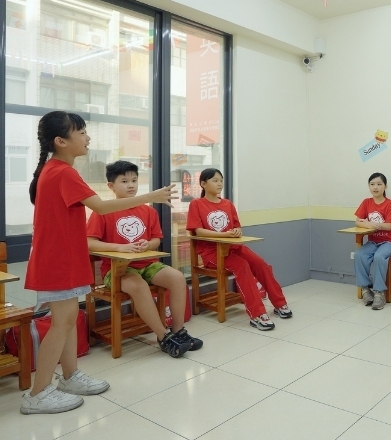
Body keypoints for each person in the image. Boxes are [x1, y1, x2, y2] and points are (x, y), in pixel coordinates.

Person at [22, 111, 176, 415]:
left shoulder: (55, 170)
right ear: (61, 141)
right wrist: (151, 196)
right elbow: (102, 207)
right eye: (81, 132)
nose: (87, 137)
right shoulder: (62, 172)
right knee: (62, 323)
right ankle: (37, 393)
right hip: (58, 262)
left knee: (66, 321)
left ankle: (70, 376)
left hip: (64, 259)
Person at [87, 160, 202, 358]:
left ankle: (178, 331)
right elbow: (89, 243)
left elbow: (156, 240)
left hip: (148, 265)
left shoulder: (149, 211)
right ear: (111, 186)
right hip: (117, 271)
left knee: (177, 278)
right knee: (138, 285)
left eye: (134, 180)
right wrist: (119, 247)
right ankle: (164, 337)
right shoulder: (103, 211)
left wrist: (147, 245)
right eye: (124, 181)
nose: (131, 185)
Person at [186, 168, 292, 331]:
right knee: (242, 266)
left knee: (260, 264)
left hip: (234, 247)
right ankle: (257, 314)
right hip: (212, 253)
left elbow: (237, 227)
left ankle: (279, 303)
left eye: (221, 180)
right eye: (215, 180)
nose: (220, 184)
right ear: (203, 184)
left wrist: (236, 231)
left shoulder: (228, 204)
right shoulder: (196, 204)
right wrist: (225, 235)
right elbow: (198, 231)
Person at [354, 173, 391, 310]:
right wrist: (367, 224)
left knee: (379, 257)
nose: (375, 187)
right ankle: (365, 290)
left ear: (385, 186)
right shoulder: (366, 202)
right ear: (369, 186)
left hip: (390, 242)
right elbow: (357, 221)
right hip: (373, 242)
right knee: (359, 255)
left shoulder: (390, 204)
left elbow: (389, 226)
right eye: (372, 184)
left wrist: (370, 223)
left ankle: (379, 292)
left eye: (379, 184)